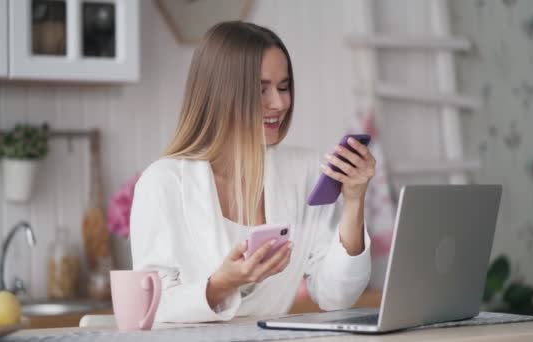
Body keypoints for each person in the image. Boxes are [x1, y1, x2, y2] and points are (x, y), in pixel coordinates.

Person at [130, 21, 376, 323]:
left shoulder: (305, 171)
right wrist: (222, 284)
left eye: (284, 87)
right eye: (261, 90)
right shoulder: (163, 183)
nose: (280, 102)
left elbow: (336, 295)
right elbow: (150, 309)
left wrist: (353, 202)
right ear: (220, 93)